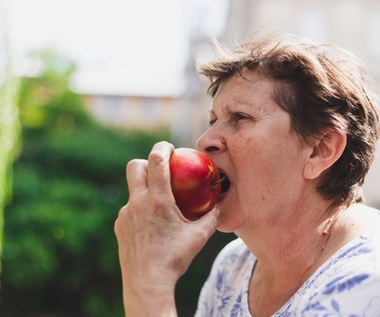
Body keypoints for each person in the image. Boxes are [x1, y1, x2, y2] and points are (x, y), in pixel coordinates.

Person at [114, 33, 380, 316]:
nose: (205, 140)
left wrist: (149, 284)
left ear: (320, 150)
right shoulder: (234, 266)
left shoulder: (366, 282)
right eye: (213, 120)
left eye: (241, 117)